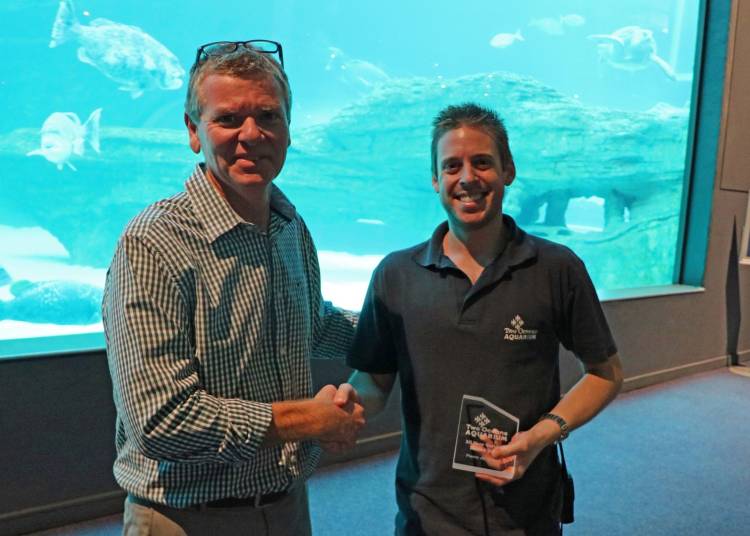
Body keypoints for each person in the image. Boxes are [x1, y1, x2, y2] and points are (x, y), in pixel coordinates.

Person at [102, 40, 364, 536]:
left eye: (268, 116)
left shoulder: (289, 226)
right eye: (228, 119)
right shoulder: (152, 243)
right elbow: (160, 421)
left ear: (288, 127)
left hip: (288, 507)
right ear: (193, 131)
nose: (251, 134)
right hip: (185, 518)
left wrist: (403, 320)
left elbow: (314, 325)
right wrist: (308, 421)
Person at [347, 102, 623, 535]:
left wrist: (541, 435)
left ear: (507, 170)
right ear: (436, 179)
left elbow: (606, 374)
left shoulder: (557, 268)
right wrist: (345, 405)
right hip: (426, 513)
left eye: (481, 162)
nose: (467, 178)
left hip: (526, 511)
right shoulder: (395, 275)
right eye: (451, 166)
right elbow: (374, 380)